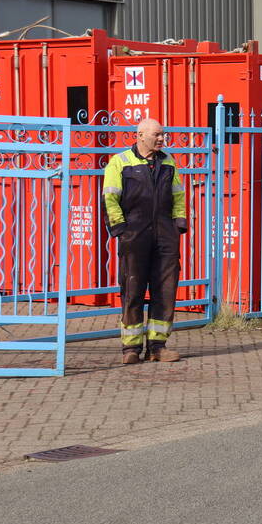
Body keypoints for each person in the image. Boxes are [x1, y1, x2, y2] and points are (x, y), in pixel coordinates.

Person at [102, 117, 187, 364]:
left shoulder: (169, 162)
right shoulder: (120, 162)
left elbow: (178, 196)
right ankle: (131, 349)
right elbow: (110, 198)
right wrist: (121, 230)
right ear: (140, 135)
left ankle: (158, 347)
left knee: (165, 291)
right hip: (134, 235)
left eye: (163, 135)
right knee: (133, 290)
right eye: (157, 135)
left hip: (164, 235)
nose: (162, 139)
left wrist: (178, 224)